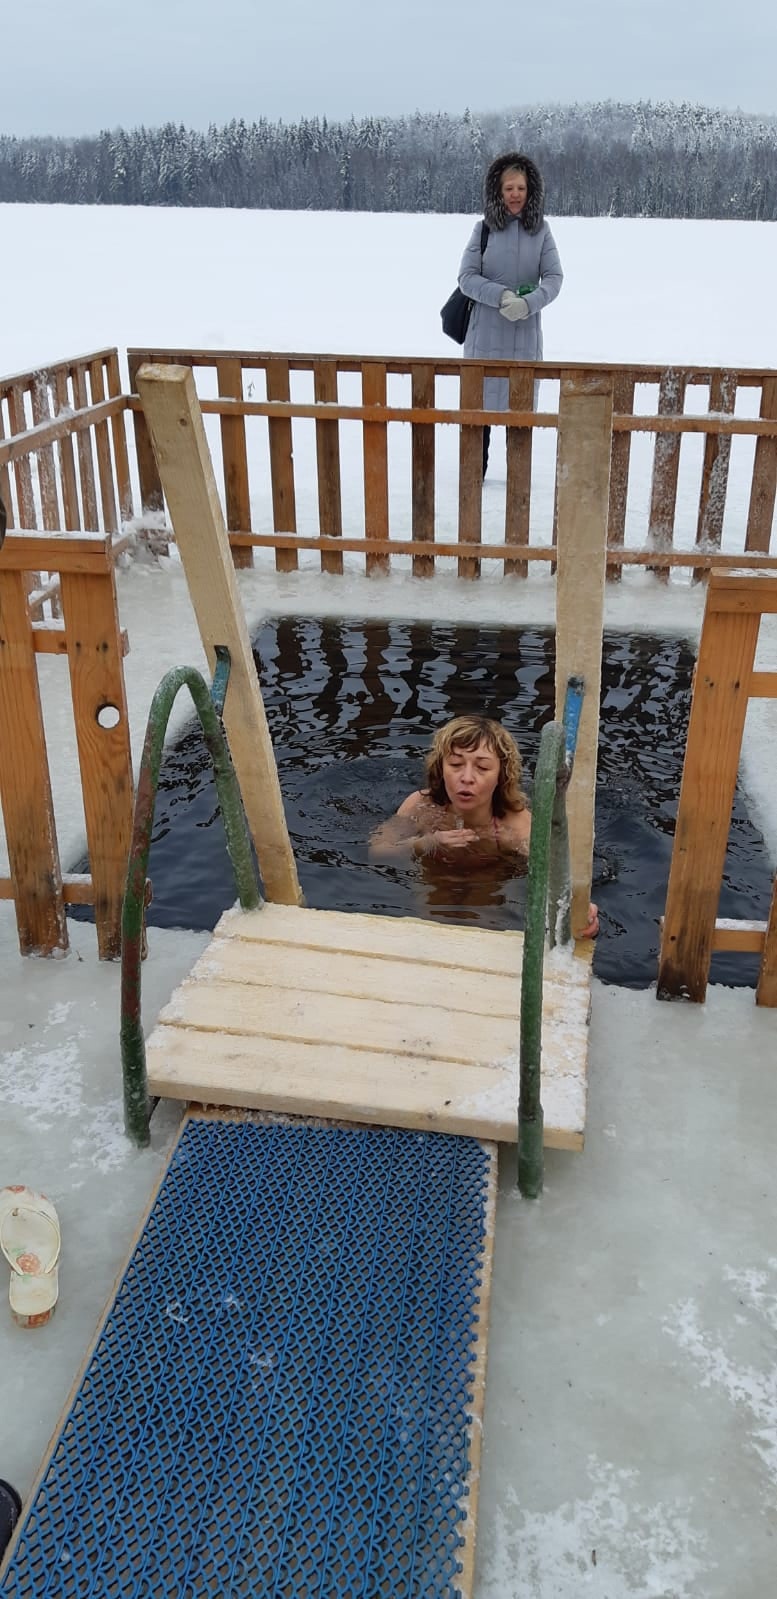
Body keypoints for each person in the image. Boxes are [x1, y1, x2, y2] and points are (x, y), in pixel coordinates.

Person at [370, 714, 598, 937]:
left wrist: (580, 910)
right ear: (440, 768)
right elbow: (377, 851)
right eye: (456, 764)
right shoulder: (420, 806)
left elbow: (556, 875)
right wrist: (425, 844)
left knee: (480, 928)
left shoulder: (517, 826)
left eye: (482, 767)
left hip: (488, 889)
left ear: (501, 776)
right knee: (431, 932)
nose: (467, 777)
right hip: (433, 886)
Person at [458, 152, 563, 477]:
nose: (515, 195)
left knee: (519, 416)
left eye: (521, 188)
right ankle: (474, 479)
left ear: (531, 191)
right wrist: (500, 295)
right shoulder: (483, 230)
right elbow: (466, 278)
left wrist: (529, 303)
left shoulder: (541, 231)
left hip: (524, 340)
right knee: (479, 416)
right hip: (484, 340)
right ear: (498, 191)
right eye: (509, 188)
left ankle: (518, 482)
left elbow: (554, 278)